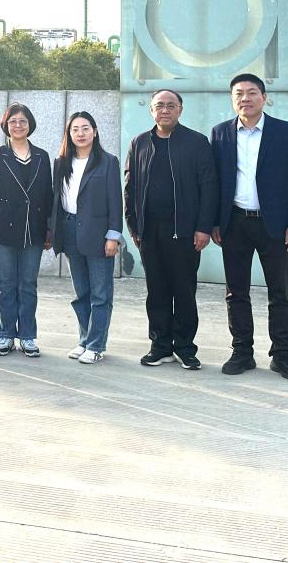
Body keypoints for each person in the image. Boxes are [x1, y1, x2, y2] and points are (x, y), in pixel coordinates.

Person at [210, 74, 288, 381]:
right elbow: (214, 182)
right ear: (232, 99)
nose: (245, 98)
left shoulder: (284, 132)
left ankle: (282, 355)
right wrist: (215, 221)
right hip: (234, 223)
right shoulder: (221, 133)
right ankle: (242, 352)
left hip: (274, 224)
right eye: (239, 93)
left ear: (264, 98)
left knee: (279, 293)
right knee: (235, 292)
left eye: (252, 92)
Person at [123, 89, 218, 371]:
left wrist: (203, 227)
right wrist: (133, 226)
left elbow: (209, 187)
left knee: (184, 291)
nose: (164, 110)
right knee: (157, 291)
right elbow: (130, 187)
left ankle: (185, 348)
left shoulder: (196, 142)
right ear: (152, 110)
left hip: (185, 232)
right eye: (159, 105)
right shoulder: (140, 143)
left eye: (170, 105)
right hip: (150, 231)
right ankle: (160, 346)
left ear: (180, 109)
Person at [0, 103, 55, 357]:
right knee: (6, 284)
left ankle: (28, 337)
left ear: (30, 125)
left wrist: (49, 229)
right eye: (13, 121)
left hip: (34, 229)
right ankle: (5, 335)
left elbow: (48, 196)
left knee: (28, 285)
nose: (18, 125)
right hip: (3, 229)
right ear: (6, 125)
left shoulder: (42, 156)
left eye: (23, 121)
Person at [50, 111, 123, 365]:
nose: (80, 133)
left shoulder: (108, 162)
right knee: (81, 293)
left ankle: (96, 345)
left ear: (95, 131)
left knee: (100, 294)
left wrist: (113, 235)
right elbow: (56, 201)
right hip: (69, 230)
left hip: (98, 234)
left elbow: (115, 201)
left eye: (85, 128)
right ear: (69, 134)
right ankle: (84, 340)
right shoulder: (61, 162)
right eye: (75, 129)